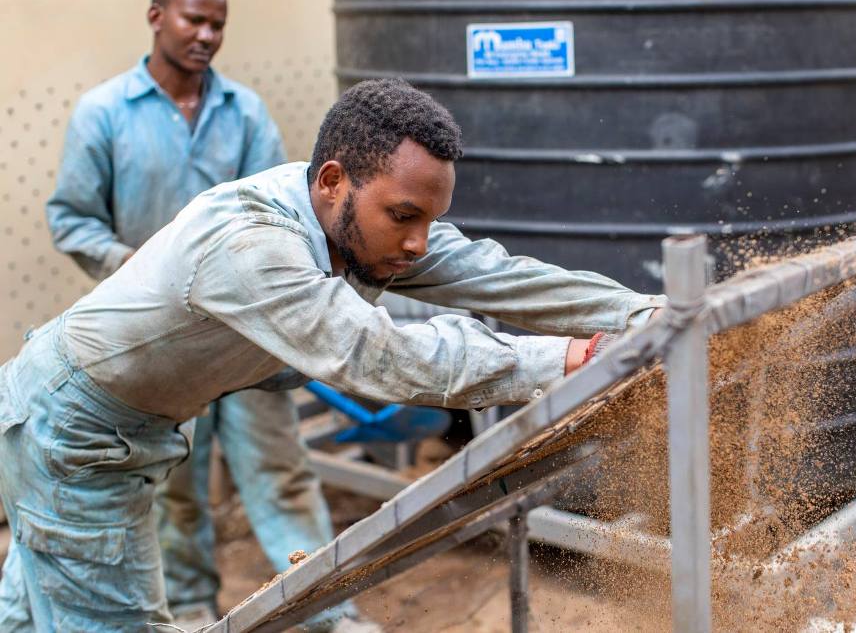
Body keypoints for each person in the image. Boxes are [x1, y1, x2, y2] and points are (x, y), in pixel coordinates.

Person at [0, 78, 664, 631]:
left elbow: (496, 273)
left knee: (27, 618)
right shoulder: (252, 244)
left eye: (430, 221)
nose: (418, 243)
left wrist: (647, 317)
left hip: (127, 423)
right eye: (404, 216)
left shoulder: (357, 222)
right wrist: (571, 359)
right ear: (332, 179)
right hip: (76, 435)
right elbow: (379, 353)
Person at [40, 0, 366, 632]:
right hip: (159, 342)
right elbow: (71, 218)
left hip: (246, 338)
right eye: (194, 19)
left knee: (281, 470)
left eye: (219, 24)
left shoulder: (244, 112)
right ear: (156, 16)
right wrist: (133, 265)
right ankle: (189, 604)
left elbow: (281, 216)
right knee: (175, 487)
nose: (207, 35)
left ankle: (328, 611)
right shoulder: (104, 114)